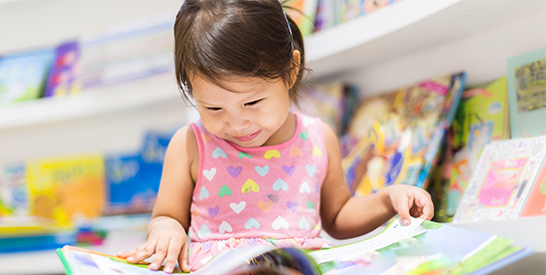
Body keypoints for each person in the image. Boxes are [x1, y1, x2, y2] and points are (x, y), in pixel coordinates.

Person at [118, 0, 434, 273]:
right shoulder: (190, 145)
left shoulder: (318, 139)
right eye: (213, 108)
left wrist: (387, 199)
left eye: (252, 102)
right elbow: (165, 217)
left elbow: (337, 218)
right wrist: (167, 230)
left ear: (291, 70)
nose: (237, 123)